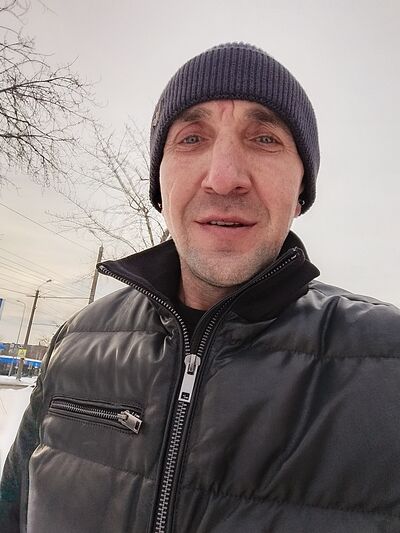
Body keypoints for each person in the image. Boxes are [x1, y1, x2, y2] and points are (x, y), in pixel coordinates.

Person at [1, 42, 400, 533]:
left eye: (265, 139)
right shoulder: (76, 345)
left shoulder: (389, 363)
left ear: (301, 191)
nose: (224, 178)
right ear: (159, 186)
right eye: (191, 139)